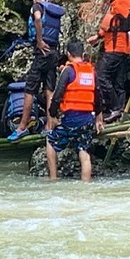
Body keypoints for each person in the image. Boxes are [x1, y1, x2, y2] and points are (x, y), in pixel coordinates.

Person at [8, 0, 65, 140]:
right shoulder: (54, 10)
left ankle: (22, 127)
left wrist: (39, 40)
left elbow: (38, 18)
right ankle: (50, 124)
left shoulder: (37, 6)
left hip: (42, 52)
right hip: (54, 52)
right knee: (49, 90)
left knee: (29, 90)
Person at [44, 41, 104, 181]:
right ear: (83, 55)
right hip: (88, 119)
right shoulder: (91, 71)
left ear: (69, 55)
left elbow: (58, 95)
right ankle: (85, 184)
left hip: (71, 119)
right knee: (84, 150)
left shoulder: (69, 70)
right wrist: (98, 118)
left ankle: (53, 178)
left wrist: (52, 115)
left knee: (50, 140)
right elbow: (98, 95)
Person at [86, 0, 130, 123]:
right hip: (117, 46)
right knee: (117, 81)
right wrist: (97, 36)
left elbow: (123, 15)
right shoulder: (116, 1)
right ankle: (118, 110)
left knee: (101, 76)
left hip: (117, 47)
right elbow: (112, 24)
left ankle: (114, 108)